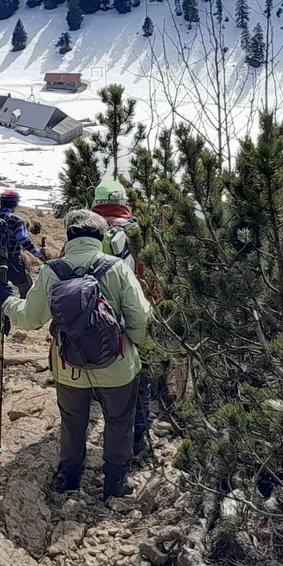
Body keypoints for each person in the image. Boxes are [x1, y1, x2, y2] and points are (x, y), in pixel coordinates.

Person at [4, 210, 153, 499]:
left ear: (69, 236)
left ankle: (69, 478)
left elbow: (30, 318)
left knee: (72, 420)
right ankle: (116, 482)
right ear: (100, 237)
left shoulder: (52, 271)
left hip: (68, 365)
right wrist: (132, 346)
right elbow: (140, 316)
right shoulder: (118, 268)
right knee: (119, 420)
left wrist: (8, 302)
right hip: (117, 365)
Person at [89, 180, 155, 461]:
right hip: (133, 314)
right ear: (124, 202)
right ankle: (138, 439)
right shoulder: (139, 231)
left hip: (93, 320)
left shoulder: (87, 230)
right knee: (140, 378)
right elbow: (154, 273)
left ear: (96, 202)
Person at [0, 189, 45, 300]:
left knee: (1, 289)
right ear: (15, 204)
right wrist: (38, 253)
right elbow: (24, 240)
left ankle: (2, 315)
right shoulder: (16, 220)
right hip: (12, 260)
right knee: (27, 288)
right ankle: (21, 314)